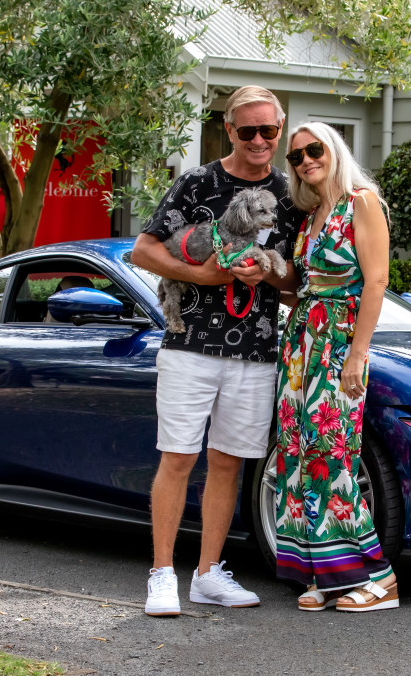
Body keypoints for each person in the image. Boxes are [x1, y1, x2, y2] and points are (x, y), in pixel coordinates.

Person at [131, 86, 303, 617]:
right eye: (247, 130)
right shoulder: (197, 182)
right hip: (189, 346)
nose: (259, 139)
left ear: (279, 130)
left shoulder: (291, 192)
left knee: (228, 465)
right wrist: (202, 275)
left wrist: (267, 275)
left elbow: (296, 281)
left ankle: (208, 574)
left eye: (268, 130)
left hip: (256, 350)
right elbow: (143, 250)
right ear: (229, 130)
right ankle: (163, 574)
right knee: (179, 457)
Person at [275, 122, 398, 612]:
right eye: (296, 156)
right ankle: (325, 574)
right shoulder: (310, 217)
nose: (306, 160)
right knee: (296, 454)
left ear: (334, 151)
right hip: (300, 345)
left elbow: (377, 281)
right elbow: (299, 288)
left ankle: (379, 578)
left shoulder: (361, 203)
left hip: (339, 342)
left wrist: (357, 354)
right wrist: (262, 271)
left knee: (332, 453)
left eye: (314, 150)